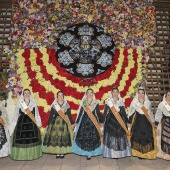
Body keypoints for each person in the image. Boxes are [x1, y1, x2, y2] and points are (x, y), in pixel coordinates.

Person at [10, 89, 42, 160]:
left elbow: (36, 114)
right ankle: (22, 156)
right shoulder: (20, 103)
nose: (27, 94)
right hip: (21, 124)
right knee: (21, 140)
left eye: (28, 93)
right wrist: (13, 125)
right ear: (23, 94)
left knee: (32, 139)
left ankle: (32, 155)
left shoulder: (33, 103)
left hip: (32, 124)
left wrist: (38, 123)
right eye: (25, 93)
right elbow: (16, 114)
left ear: (30, 94)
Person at [72, 88, 103, 160]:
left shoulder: (96, 102)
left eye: (91, 92)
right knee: (84, 137)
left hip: (93, 121)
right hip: (84, 120)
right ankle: (85, 152)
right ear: (86, 94)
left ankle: (91, 153)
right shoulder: (84, 102)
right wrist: (77, 122)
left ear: (93, 94)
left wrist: (100, 122)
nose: (89, 94)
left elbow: (98, 113)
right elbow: (80, 113)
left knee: (93, 137)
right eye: (88, 93)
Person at [42, 91, 73, 158]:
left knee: (62, 137)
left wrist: (72, 123)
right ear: (57, 96)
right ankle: (57, 152)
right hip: (55, 123)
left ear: (63, 96)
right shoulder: (54, 105)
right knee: (56, 137)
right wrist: (48, 123)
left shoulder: (66, 105)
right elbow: (51, 115)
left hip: (64, 123)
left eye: (61, 95)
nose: (60, 96)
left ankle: (62, 152)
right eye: (59, 95)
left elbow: (69, 115)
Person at [128, 87, 157, 159]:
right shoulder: (134, 103)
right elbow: (131, 112)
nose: (141, 94)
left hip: (146, 122)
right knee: (138, 138)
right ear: (137, 94)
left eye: (142, 93)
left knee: (147, 137)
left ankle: (146, 153)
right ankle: (139, 153)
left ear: (144, 94)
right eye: (139, 93)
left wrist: (153, 122)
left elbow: (150, 113)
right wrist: (129, 122)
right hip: (138, 122)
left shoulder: (148, 103)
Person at [102, 87, 131, 158]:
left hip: (120, 121)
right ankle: (111, 154)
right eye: (113, 92)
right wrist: (102, 121)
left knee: (120, 137)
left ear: (118, 93)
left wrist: (127, 121)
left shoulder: (121, 101)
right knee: (111, 137)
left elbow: (124, 113)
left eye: (116, 92)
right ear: (111, 93)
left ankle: (119, 154)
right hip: (111, 121)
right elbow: (105, 112)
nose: (115, 93)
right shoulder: (108, 101)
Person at [155, 91, 170, 160]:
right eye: (168, 95)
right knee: (165, 138)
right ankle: (165, 154)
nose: (169, 97)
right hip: (165, 122)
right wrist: (156, 122)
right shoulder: (162, 104)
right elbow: (158, 113)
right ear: (166, 96)